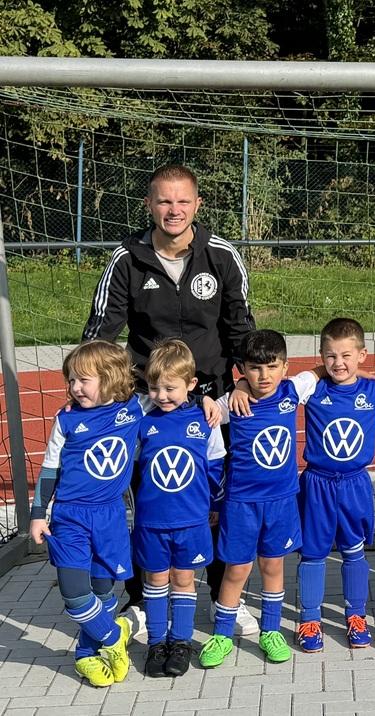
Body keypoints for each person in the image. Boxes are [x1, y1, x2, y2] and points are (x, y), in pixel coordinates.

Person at [82, 163, 257, 636]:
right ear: (149, 205)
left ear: (198, 205)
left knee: (219, 498)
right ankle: (142, 599)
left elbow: (242, 330)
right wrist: (93, 390)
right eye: (164, 201)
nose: (173, 210)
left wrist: (243, 383)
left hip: (210, 401)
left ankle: (226, 599)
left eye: (183, 201)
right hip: (149, 401)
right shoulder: (126, 259)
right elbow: (101, 332)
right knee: (151, 499)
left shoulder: (221, 256)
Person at [29, 341, 145, 687]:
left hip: (111, 517)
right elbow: (50, 470)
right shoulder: (66, 420)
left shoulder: (134, 410)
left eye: (83, 380)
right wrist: (38, 515)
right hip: (69, 518)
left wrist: (216, 402)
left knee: (104, 589)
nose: (74, 388)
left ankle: (85, 655)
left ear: (109, 379)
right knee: (76, 594)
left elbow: (175, 391)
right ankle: (114, 637)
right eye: (71, 381)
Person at [199, 330, 314, 668]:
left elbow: (325, 370)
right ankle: (222, 634)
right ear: (242, 370)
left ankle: (270, 630)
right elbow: (199, 414)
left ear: (285, 367)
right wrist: (211, 398)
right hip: (241, 503)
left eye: (272, 367)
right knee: (237, 570)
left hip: (281, 501)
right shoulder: (234, 403)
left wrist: (364, 374)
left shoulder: (293, 391)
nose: (264, 376)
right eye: (254, 369)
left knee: (273, 566)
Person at [289, 318, 375, 652]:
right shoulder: (312, 387)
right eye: (330, 356)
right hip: (317, 485)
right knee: (314, 554)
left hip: (354, 486)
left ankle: (356, 616)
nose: (339, 363)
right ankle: (309, 619)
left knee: (353, 551)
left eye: (347, 355)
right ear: (321, 356)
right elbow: (286, 384)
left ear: (362, 355)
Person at [134, 340, 226, 677]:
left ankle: (181, 641)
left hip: (191, 520)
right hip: (152, 521)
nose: (162, 395)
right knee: (157, 579)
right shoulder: (141, 418)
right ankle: (157, 643)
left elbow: (216, 466)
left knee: (184, 579)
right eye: (155, 387)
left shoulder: (205, 420)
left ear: (190, 384)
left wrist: (216, 503)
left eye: (170, 388)